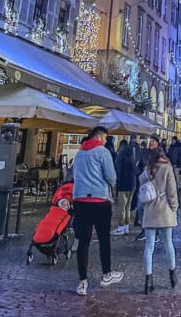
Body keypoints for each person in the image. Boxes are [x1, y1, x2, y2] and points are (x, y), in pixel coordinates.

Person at [71, 125, 124, 296]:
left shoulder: (79, 154)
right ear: (100, 137)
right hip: (100, 200)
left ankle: (82, 281)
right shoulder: (102, 152)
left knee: (83, 241)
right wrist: (110, 184)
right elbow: (111, 176)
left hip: (80, 201)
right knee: (103, 239)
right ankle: (106, 274)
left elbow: (75, 176)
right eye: (105, 138)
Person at [140, 147, 179, 293]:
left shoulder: (147, 169)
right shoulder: (167, 169)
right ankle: (172, 276)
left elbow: (141, 184)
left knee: (149, 247)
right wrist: (174, 208)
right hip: (164, 211)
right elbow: (172, 192)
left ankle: (148, 280)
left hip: (150, 211)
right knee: (168, 244)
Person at [136, 135, 161, 241]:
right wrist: (141, 174)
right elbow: (139, 165)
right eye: (150, 141)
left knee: (153, 209)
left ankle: (155, 233)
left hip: (156, 186)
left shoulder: (161, 155)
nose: (151, 143)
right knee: (141, 208)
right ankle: (144, 229)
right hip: (144, 185)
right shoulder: (144, 153)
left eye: (153, 141)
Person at [112, 139, 136, 236]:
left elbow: (118, 170)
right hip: (132, 184)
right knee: (128, 207)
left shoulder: (120, 155)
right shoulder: (131, 155)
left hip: (123, 184)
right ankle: (126, 226)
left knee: (122, 207)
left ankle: (121, 226)